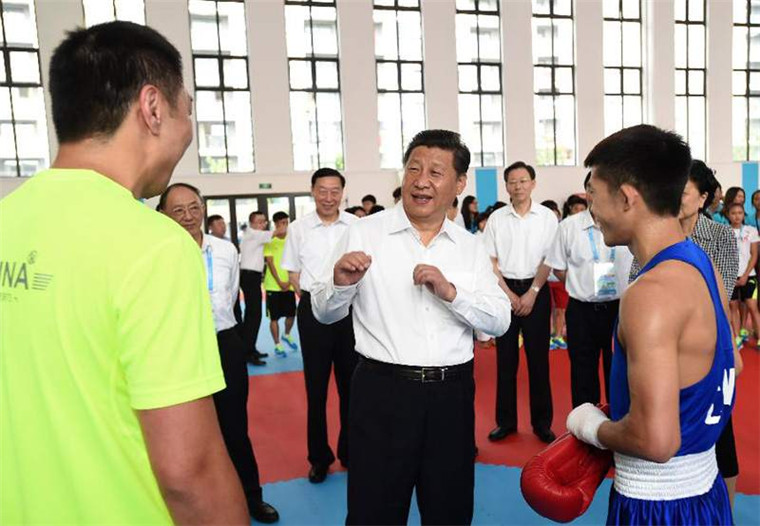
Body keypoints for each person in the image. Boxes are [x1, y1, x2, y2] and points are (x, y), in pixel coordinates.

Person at [0, 21, 248, 525]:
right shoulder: (154, 247)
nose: (188, 129)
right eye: (189, 110)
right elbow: (188, 472)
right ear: (153, 108)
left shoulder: (8, 220)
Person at [311, 129, 511, 525]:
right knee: (374, 512)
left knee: (449, 510)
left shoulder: (469, 246)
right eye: (414, 168)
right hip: (382, 393)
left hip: (450, 397)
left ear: (458, 184)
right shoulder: (364, 232)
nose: (421, 181)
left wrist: (451, 293)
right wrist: (339, 285)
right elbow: (324, 313)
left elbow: (499, 321)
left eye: (436, 172)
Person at [567, 124, 741, 525]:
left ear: (627, 197)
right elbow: (721, 369)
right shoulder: (702, 264)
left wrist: (591, 426)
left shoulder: (650, 293)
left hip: (659, 506)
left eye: (594, 195)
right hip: (705, 491)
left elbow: (656, 441)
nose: (592, 211)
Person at [159, 184, 279, 524]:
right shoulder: (158, 252)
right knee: (182, 431)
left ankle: (251, 498)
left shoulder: (225, 250)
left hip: (223, 343)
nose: (187, 216)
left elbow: (230, 296)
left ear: (203, 208)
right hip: (178, 347)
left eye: (193, 207)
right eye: (178, 210)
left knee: (234, 426)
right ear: (164, 214)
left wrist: (238, 341)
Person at [628, 158, 742, 510]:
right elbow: (637, 280)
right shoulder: (652, 234)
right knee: (660, 430)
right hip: (658, 342)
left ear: (703, 196)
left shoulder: (720, 235)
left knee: (719, 435)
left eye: (686, 190)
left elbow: (719, 294)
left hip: (705, 345)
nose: (677, 196)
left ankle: (726, 510)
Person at [281, 168, 359, 483]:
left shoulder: (356, 225)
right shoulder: (299, 228)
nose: (329, 197)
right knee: (316, 390)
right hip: (313, 311)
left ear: (343, 192)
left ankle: (351, 451)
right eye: (322, 190)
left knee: (351, 387)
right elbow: (292, 272)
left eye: (334, 190)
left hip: (350, 310)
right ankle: (319, 458)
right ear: (313, 191)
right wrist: (316, 298)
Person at [485, 161, 559, 444]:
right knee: (505, 361)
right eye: (512, 182)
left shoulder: (547, 217)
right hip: (504, 291)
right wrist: (508, 294)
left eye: (523, 180)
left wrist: (532, 292)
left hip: (536, 291)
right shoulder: (497, 219)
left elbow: (549, 259)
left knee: (539, 362)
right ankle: (505, 422)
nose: (518, 186)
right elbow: (490, 260)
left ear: (533, 183)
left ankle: (542, 424)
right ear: (506, 186)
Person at [546, 172, 633, 407]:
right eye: (593, 190)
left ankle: (620, 426)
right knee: (583, 373)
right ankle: (585, 429)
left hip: (619, 309)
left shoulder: (627, 223)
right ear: (586, 193)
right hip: (581, 311)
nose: (598, 196)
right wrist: (580, 285)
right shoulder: (568, 227)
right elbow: (559, 268)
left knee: (619, 369)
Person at [263, 211, 298, 357]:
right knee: (274, 318)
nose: (284, 226)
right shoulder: (269, 240)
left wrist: (289, 282)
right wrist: (279, 282)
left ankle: (287, 334)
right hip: (273, 286)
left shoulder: (292, 240)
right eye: (281, 223)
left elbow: (297, 262)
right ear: (276, 224)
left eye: (286, 223)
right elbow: (270, 263)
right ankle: (277, 344)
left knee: (291, 315)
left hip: (289, 284)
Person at [239, 210, 272, 364]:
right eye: (259, 221)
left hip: (250, 277)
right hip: (249, 277)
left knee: (254, 315)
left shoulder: (252, 234)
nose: (263, 224)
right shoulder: (254, 234)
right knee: (254, 315)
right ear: (252, 223)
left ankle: (250, 348)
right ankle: (247, 352)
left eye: (264, 221)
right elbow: (279, 233)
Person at [727, 203, 760, 346]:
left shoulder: (751, 231)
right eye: (733, 213)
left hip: (749, 275)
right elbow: (723, 255)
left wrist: (746, 275)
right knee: (733, 307)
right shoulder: (724, 231)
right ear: (728, 215)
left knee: (753, 307)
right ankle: (737, 338)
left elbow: (754, 255)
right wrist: (731, 275)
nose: (737, 216)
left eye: (740, 212)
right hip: (731, 276)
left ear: (743, 215)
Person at [541, 200, 569, 350]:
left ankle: (558, 336)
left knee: (561, 309)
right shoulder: (538, 232)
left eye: (555, 212)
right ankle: (548, 337)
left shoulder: (564, 230)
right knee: (546, 312)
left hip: (559, 278)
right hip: (543, 279)